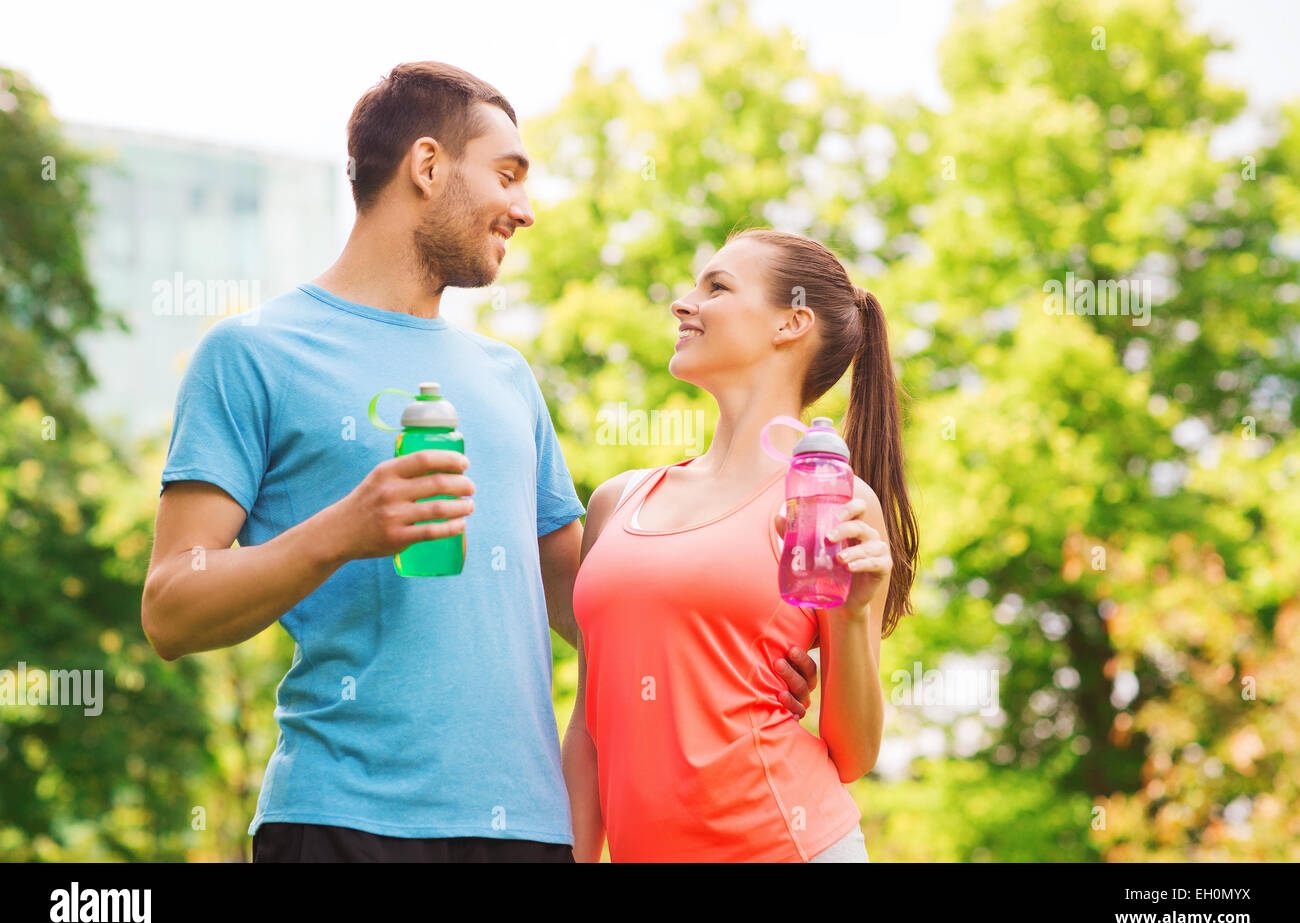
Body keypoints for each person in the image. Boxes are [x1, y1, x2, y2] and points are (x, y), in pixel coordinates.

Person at [141, 62, 814, 863]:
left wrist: (732, 656)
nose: (525, 211)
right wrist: (342, 532)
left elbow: (583, 603)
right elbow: (171, 608)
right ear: (428, 167)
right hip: (340, 823)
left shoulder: (505, 378)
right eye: (507, 175)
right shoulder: (253, 354)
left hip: (527, 830)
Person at [566, 227, 920, 862]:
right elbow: (591, 726)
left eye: (717, 287)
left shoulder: (829, 500)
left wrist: (853, 609)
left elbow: (854, 753)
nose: (683, 303)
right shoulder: (617, 501)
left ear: (791, 322)